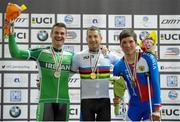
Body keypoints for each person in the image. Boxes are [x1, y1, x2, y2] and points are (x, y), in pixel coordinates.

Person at [7, 22, 73, 121]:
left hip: (64, 102)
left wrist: (104, 53)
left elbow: (88, 63)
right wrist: (11, 34)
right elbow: (16, 53)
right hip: (45, 101)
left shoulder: (71, 56)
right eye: (56, 33)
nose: (59, 35)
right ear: (51, 34)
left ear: (66, 36)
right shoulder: (41, 52)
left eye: (62, 33)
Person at [71, 26, 119, 121]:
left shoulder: (108, 55)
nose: (93, 39)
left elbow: (125, 65)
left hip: (104, 101)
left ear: (101, 38)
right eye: (90, 37)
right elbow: (66, 74)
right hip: (86, 101)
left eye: (95, 36)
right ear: (86, 39)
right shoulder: (78, 56)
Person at [113, 29, 161, 121]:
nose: (128, 45)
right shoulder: (118, 66)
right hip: (134, 106)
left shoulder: (148, 58)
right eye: (124, 42)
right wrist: (117, 99)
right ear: (120, 45)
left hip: (150, 105)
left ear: (136, 43)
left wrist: (157, 109)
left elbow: (156, 83)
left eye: (131, 42)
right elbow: (118, 89)